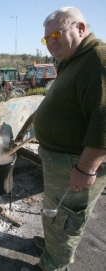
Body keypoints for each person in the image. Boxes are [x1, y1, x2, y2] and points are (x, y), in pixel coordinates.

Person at [23, 6, 106, 271]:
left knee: (65, 219)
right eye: (47, 38)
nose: (51, 42)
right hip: (61, 160)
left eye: (57, 33)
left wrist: (86, 168)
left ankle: (53, 266)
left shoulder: (97, 59)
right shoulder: (75, 59)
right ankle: (53, 246)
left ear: (80, 28)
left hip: (76, 162)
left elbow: (104, 120)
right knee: (55, 214)